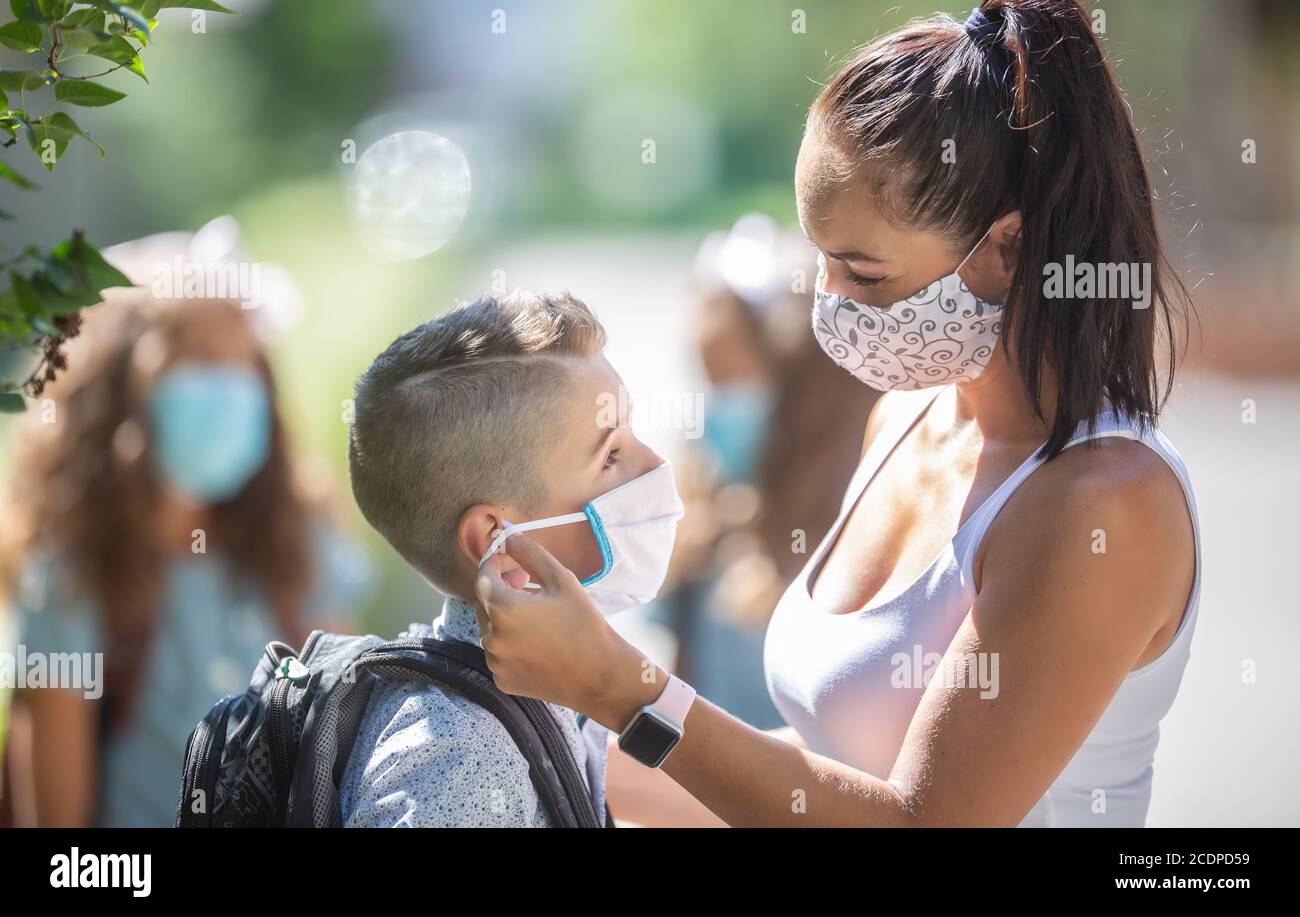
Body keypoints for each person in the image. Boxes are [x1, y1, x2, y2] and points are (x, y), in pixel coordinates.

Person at [472, 0, 1201, 828]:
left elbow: (920, 819)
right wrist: (546, 745)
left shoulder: (1105, 501)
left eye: (864, 273)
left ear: (1007, 248)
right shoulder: (899, 419)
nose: (829, 306)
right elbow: (821, 778)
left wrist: (616, 682)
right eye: (818, 258)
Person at [0, 231, 369, 827]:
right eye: (196, 354)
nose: (227, 384)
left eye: (243, 358)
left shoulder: (299, 540)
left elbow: (344, 746)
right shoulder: (69, 574)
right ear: (120, 383)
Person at [339, 291, 682, 827]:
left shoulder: (545, 701)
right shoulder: (462, 764)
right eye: (611, 455)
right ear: (498, 537)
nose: (657, 464)